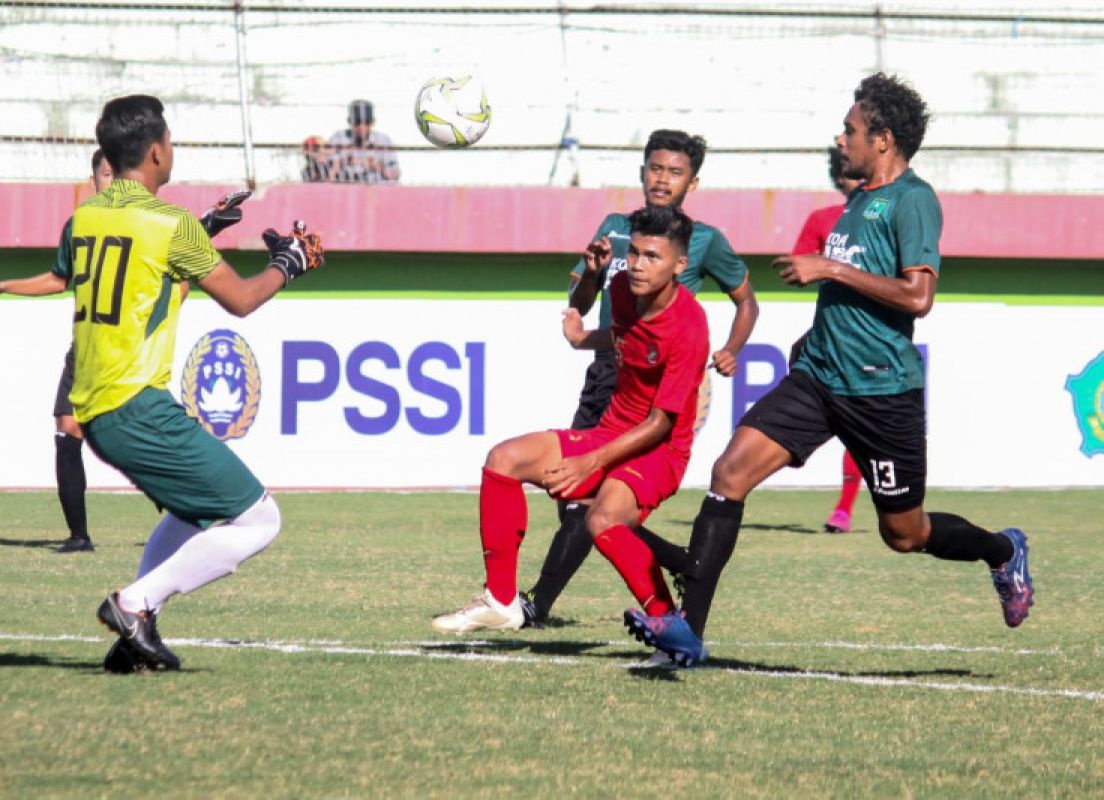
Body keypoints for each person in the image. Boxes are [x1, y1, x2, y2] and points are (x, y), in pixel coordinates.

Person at [625, 73, 1034, 668]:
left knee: (906, 534)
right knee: (730, 473)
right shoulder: (859, 201)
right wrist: (814, 334)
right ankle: (686, 634)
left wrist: (828, 269)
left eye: (851, 130)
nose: (841, 139)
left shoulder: (914, 200)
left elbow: (917, 297)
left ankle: (1002, 549)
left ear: (884, 140)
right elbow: (848, 297)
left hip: (880, 392)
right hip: (818, 379)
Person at [69, 94, 323, 672]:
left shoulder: (85, 218)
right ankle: (134, 605)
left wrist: (206, 230)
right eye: (171, 141)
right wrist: (290, 263)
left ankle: (138, 629)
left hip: (98, 410)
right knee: (259, 518)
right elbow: (241, 299)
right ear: (157, 152)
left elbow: (135, 276)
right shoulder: (169, 222)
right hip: (136, 405)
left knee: (191, 509)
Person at [432, 205, 711, 634]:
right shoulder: (622, 287)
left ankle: (670, 625)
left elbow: (661, 424)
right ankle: (501, 600)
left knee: (602, 520)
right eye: (633, 253)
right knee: (503, 458)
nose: (637, 265)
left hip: (660, 451)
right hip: (611, 430)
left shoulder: (690, 324)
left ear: (680, 264)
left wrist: (591, 461)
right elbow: (607, 324)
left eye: (652, 257)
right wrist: (591, 290)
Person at [518, 129, 758, 627]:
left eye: (675, 172)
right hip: (610, 370)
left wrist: (732, 348)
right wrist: (582, 300)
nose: (662, 179)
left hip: (662, 381)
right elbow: (582, 300)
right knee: (578, 503)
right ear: (642, 171)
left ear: (692, 182)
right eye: (655, 168)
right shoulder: (614, 226)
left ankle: (536, 604)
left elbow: (746, 300)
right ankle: (678, 560)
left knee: (591, 499)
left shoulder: (704, 240)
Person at [0, 151, 251, 555]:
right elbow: (59, 277)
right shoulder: (84, 221)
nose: (108, 180)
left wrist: (204, 229)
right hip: (85, 352)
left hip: (127, 355)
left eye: (113, 172)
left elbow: (166, 275)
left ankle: (187, 517)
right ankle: (79, 535)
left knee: (132, 439)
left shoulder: (148, 220)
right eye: (102, 173)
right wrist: (2, 285)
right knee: (67, 430)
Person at [790, 147, 863, 534]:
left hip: (870, 339)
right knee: (797, 356)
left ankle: (845, 509)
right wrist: (821, 269)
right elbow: (798, 262)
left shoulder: (888, 216)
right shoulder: (824, 220)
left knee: (860, 430)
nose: (854, 182)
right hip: (831, 328)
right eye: (846, 175)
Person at [327, 99, 400, 184]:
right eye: (357, 122)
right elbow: (327, 176)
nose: (362, 127)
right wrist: (344, 161)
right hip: (345, 190)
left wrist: (377, 165)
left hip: (377, 191)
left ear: (373, 122)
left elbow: (396, 175)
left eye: (366, 122)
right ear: (349, 121)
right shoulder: (338, 138)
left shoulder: (383, 141)